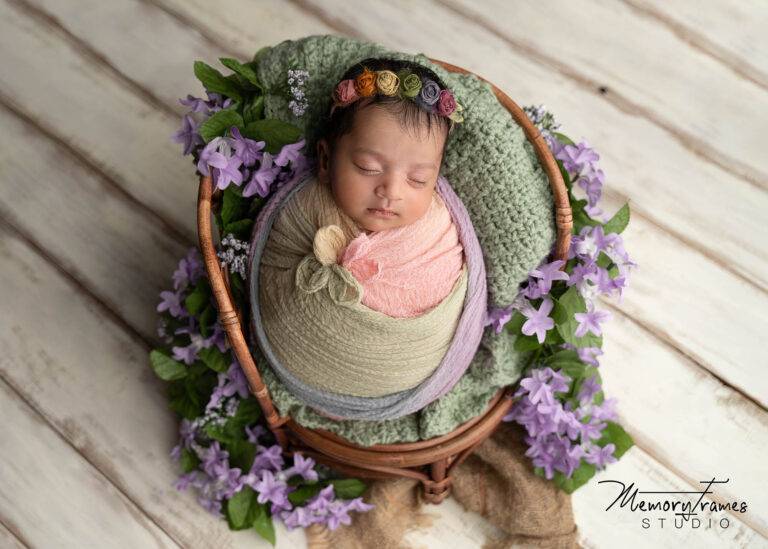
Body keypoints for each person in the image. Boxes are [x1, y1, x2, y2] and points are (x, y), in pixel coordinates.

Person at [296, 57, 467, 318]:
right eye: (368, 167)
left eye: (418, 179)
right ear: (325, 160)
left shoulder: (439, 234)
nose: (391, 191)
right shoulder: (302, 212)